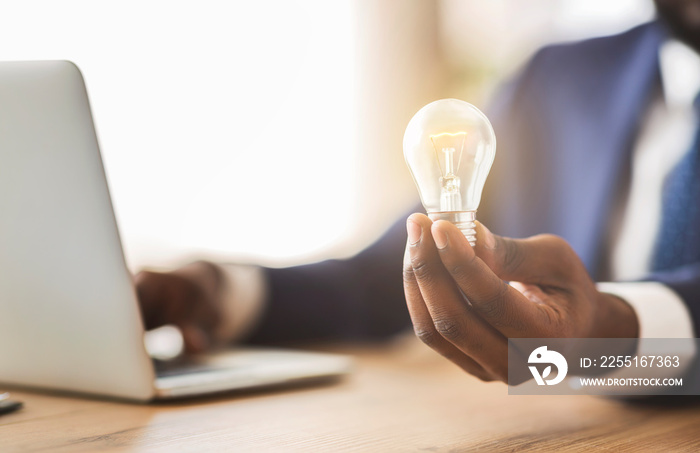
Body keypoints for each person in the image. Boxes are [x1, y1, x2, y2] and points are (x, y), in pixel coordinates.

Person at [136, 0, 700, 384]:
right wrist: (222, 291)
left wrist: (613, 333)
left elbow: (594, 336)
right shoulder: (561, 78)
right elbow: (403, 271)